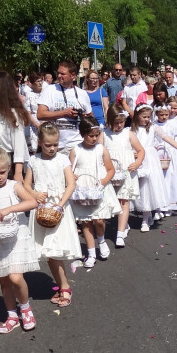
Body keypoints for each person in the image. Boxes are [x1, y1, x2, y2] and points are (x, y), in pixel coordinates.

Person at [0, 141, 40, 333]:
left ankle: (25, 307)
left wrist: (10, 208)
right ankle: (11, 314)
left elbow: (33, 202)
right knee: (3, 279)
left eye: (2, 172)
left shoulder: (14, 186)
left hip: (17, 236)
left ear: (8, 169)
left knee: (15, 277)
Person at [26, 123, 80, 306]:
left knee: (54, 249)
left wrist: (60, 205)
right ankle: (61, 284)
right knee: (48, 251)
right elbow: (26, 184)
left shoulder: (63, 159)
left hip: (58, 208)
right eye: (48, 145)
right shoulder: (34, 160)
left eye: (55, 144)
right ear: (40, 142)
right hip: (41, 208)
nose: (52, 148)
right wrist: (34, 194)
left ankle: (65, 287)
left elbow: (71, 184)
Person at [68, 115, 119, 268]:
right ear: (82, 134)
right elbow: (69, 170)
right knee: (86, 222)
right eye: (91, 135)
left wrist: (103, 181)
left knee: (99, 220)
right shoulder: (76, 150)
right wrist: (72, 175)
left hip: (99, 188)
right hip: (82, 190)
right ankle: (91, 253)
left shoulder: (101, 149)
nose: (95, 138)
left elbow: (110, 170)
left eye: (97, 135)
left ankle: (101, 240)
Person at [102, 104, 144, 246]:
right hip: (111, 171)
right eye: (116, 123)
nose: (119, 125)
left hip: (126, 171)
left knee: (123, 201)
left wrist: (137, 163)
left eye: (121, 122)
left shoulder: (128, 133)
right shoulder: (105, 134)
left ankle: (119, 234)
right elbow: (99, 152)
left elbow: (140, 150)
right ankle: (123, 224)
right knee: (111, 201)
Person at [38, 61, 92, 153]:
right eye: (58, 73)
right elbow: (40, 114)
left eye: (62, 74)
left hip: (77, 144)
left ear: (73, 75)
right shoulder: (50, 90)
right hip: (55, 144)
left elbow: (91, 117)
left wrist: (84, 116)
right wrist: (64, 113)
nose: (59, 76)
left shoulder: (82, 93)